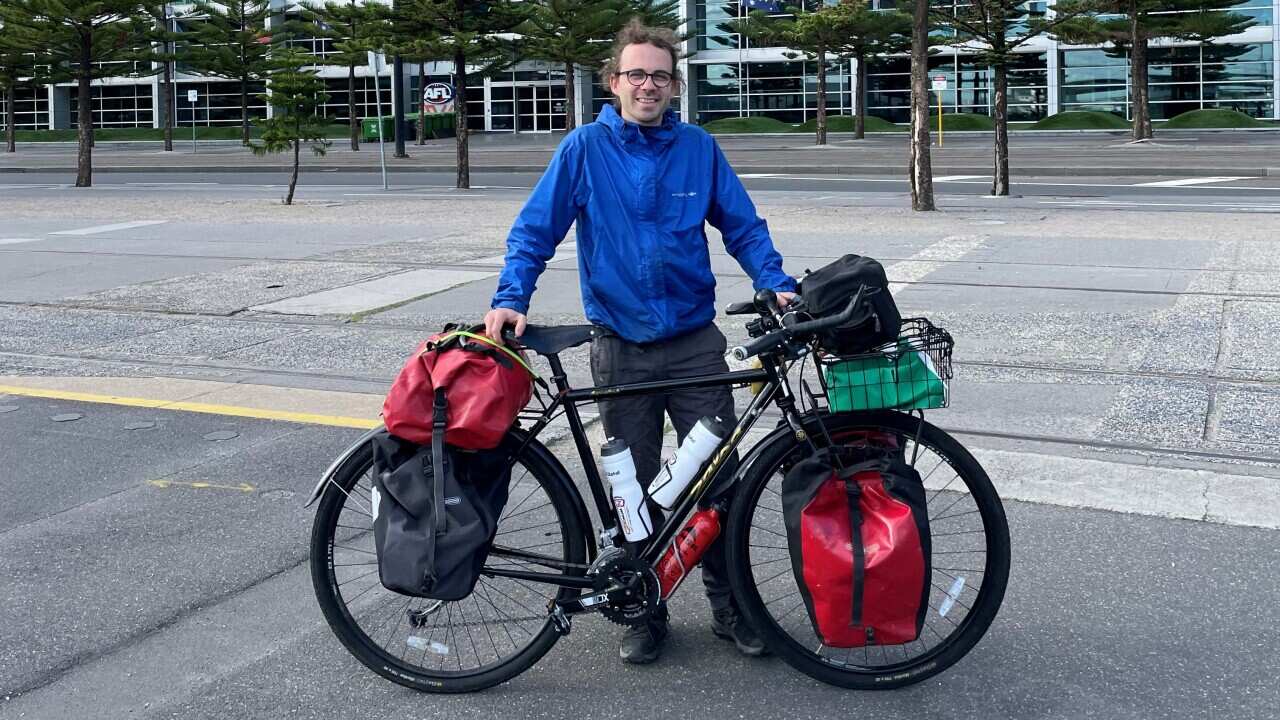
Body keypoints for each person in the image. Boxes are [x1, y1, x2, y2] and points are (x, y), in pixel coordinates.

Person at [483, 19, 796, 665]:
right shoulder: (583, 150)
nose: (647, 84)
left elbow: (741, 224)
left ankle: (730, 608)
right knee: (635, 490)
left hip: (694, 343)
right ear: (614, 82)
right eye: (636, 74)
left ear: (674, 84)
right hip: (620, 345)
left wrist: (775, 281)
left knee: (719, 484)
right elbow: (534, 231)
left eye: (659, 75)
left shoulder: (698, 147)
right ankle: (645, 611)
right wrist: (511, 297)